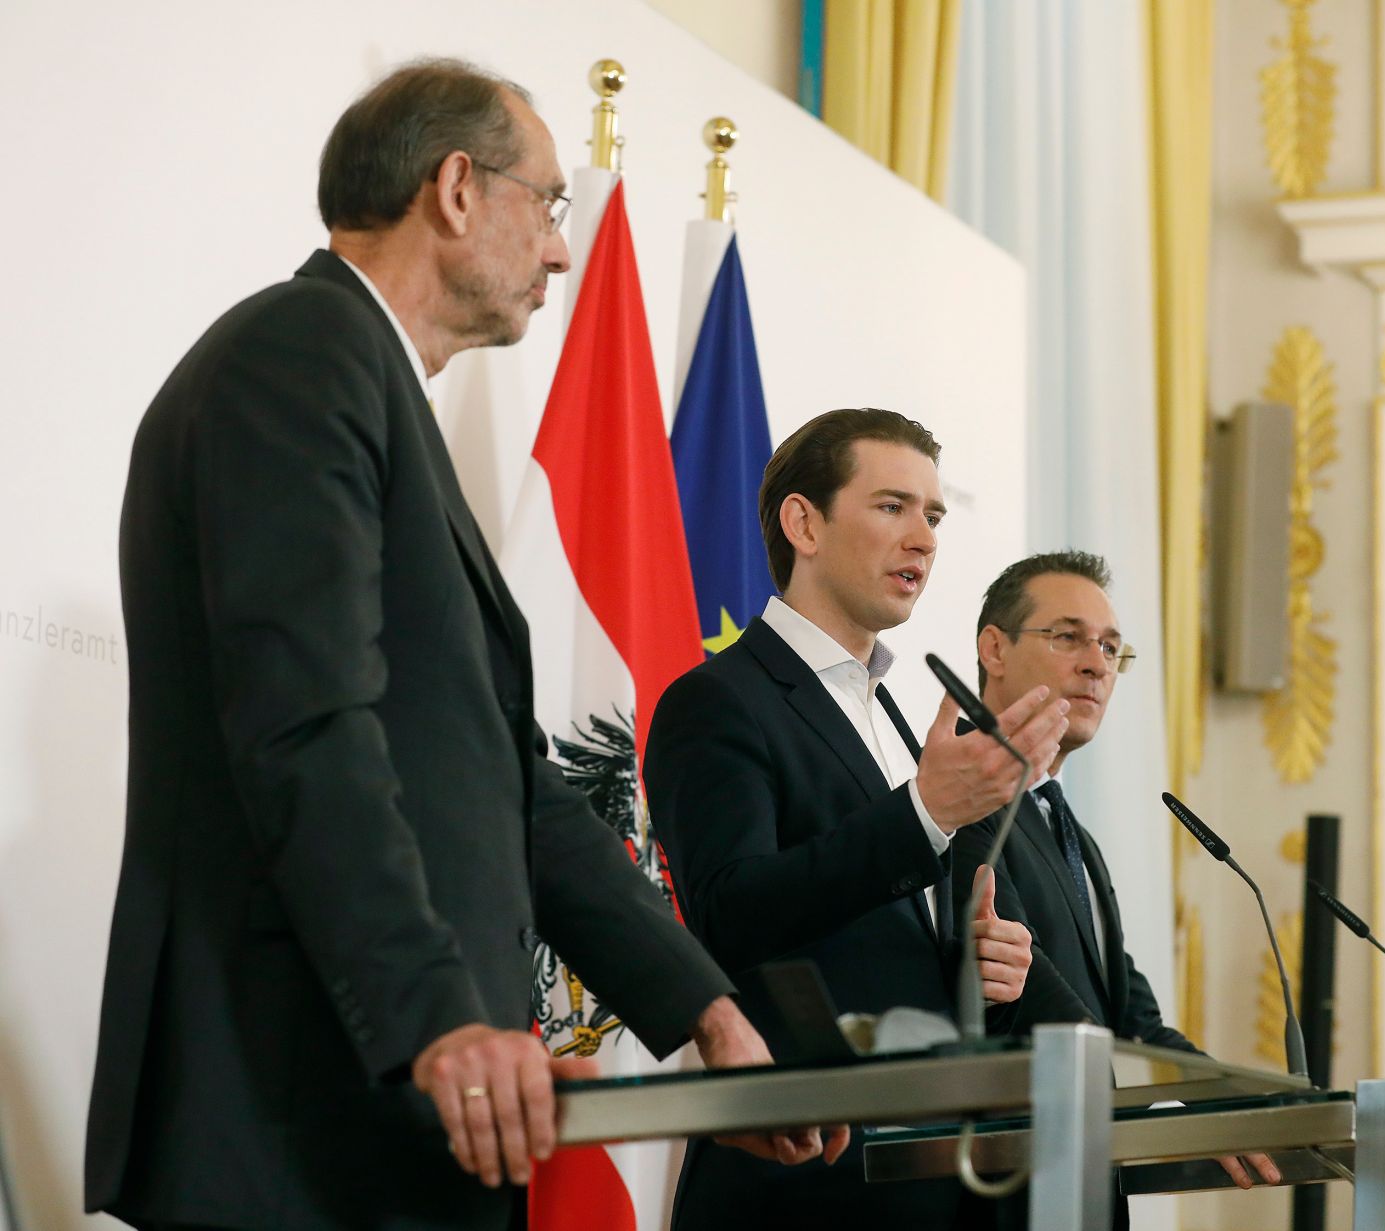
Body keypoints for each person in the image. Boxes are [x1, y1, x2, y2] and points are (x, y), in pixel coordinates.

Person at [86, 59, 833, 1231]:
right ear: (454, 189)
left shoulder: (369, 384)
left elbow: (505, 784)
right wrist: (441, 1022)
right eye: (547, 204)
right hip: (294, 1112)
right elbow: (306, 728)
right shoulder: (301, 355)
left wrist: (706, 1017)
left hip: (381, 1127)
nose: (557, 251)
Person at [644, 409, 1081, 1229]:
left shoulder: (898, 719)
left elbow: (893, 940)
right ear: (803, 522)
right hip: (802, 1185)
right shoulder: (717, 702)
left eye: (935, 515)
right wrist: (922, 815)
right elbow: (729, 915)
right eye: (892, 506)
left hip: (933, 1177)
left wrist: (991, 962)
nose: (924, 538)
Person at [951, 551, 1282, 1226]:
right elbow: (1030, 993)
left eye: (1110, 647)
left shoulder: (1068, 829)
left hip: (1081, 1185)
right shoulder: (954, 801)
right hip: (1001, 1191)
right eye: (1067, 636)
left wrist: (1242, 1102)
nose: (1097, 664)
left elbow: (1130, 1016)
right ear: (994, 648)